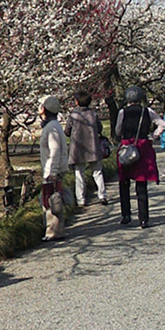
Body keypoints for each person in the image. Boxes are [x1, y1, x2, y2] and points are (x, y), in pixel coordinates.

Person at [113, 86, 165, 228]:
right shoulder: (147, 111)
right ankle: (144, 218)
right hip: (142, 147)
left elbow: (118, 130)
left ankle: (126, 215)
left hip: (126, 147)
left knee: (124, 183)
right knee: (141, 184)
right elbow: (163, 124)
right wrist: (154, 136)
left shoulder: (122, 112)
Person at [65, 90, 108, 207]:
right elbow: (99, 128)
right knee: (97, 172)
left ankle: (81, 200)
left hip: (77, 149)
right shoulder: (93, 114)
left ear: (77, 102)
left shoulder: (73, 115)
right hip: (93, 147)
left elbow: (67, 131)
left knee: (79, 174)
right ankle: (102, 195)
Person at [38, 95, 68, 241]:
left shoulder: (52, 128)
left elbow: (54, 150)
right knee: (53, 199)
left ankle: (53, 232)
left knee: (51, 200)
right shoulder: (53, 125)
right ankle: (55, 230)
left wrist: (52, 171)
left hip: (52, 169)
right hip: (51, 167)